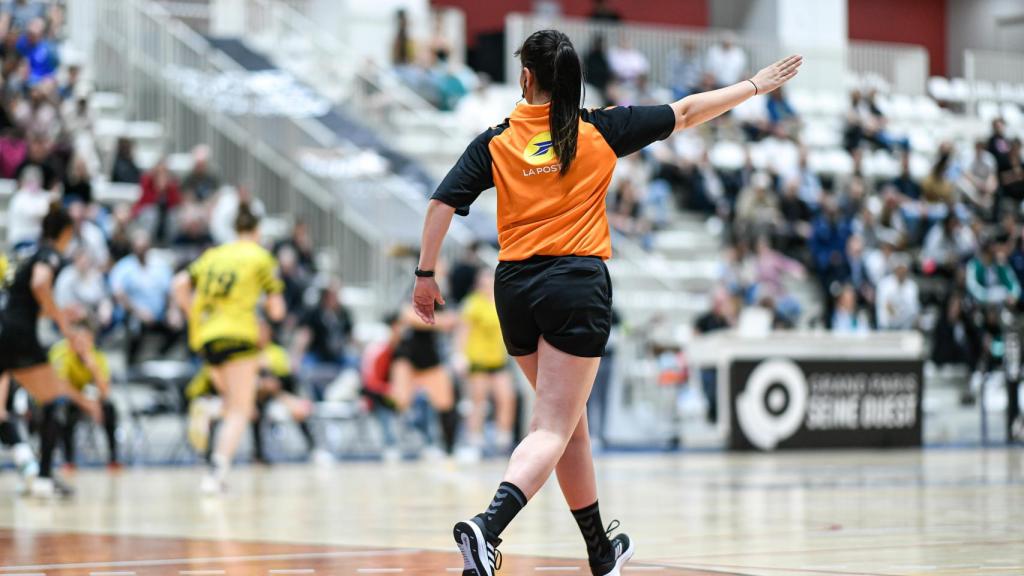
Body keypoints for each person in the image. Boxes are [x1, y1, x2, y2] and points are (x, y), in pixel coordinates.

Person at [414, 28, 800, 576]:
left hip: (515, 290)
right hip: (575, 285)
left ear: (526, 77)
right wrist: (753, 86)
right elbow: (687, 112)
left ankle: (600, 552)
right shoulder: (599, 129)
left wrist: (425, 274)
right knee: (551, 426)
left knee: (568, 426)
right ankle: (486, 527)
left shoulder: (496, 142)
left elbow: (439, 205)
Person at [171, 203, 286, 494]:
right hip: (238, 336)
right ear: (257, 229)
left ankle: (208, 409)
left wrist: (192, 315)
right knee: (241, 410)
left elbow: (180, 283)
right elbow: (277, 311)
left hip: (206, 336)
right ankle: (216, 473)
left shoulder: (214, 254)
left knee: (229, 401)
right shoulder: (261, 257)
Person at [0, 203, 101, 498]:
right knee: (53, 399)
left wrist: (56, 313)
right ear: (66, 233)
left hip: (3, 332)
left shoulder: (23, 256)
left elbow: (23, 302)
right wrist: (64, 326)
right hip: (19, 338)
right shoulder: (49, 254)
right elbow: (40, 284)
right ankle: (43, 478)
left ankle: (34, 471)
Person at [455, 270, 515, 459]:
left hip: (498, 359)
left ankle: (503, 440)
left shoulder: (501, 301)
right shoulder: (473, 303)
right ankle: (474, 441)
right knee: (478, 401)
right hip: (478, 359)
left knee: (506, 398)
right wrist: (459, 355)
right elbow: (463, 331)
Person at [49, 318, 120, 469]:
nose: (81, 344)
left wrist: (93, 368)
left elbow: (105, 392)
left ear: (92, 340)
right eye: (77, 340)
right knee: (64, 409)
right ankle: (69, 461)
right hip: (62, 398)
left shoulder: (97, 356)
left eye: (85, 340)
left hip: (86, 397)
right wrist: (87, 404)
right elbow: (61, 388)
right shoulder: (61, 353)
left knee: (109, 408)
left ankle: (113, 459)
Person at [109, 230, 180, 365]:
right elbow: (118, 294)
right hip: (134, 313)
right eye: (138, 248)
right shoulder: (124, 267)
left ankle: (159, 358)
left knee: (179, 325)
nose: (141, 251)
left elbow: (169, 291)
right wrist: (138, 311)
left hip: (159, 314)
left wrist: (173, 310)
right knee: (135, 325)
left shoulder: (160, 265)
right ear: (133, 248)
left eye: (144, 247)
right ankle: (132, 365)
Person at [875, 254, 920, 331]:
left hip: (906, 328)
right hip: (887, 328)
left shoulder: (912, 286)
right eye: (899, 269)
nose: (901, 272)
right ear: (895, 270)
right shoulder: (884, 285)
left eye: (903, 270)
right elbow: (883, 309)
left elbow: (913, 310)